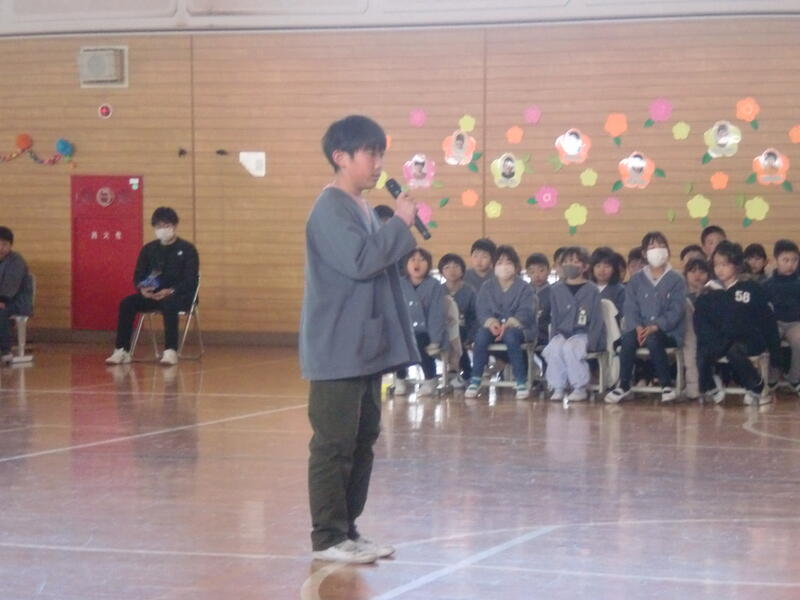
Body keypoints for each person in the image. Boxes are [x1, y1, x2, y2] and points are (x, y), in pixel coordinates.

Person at [299, 115, 419, 564]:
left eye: (380, 153)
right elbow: (361, 261)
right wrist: (400, 223)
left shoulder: (362, 207)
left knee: (362, 438)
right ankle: (328, 536)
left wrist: (395, 228)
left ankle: (348, 529)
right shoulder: (330, 208)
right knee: (333, 443)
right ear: (341, 157)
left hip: (364, 348)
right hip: (338, 347)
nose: (378, 163)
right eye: (370, 153)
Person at [105, 207, 199, 366]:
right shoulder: (149, 249)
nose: (162, 229)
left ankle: (170, 351)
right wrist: (142, 289)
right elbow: (138, 275)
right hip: (153, 295)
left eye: (166, 225)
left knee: (169, 304)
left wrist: (171, 291)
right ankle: (121, 350)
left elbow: (191, 280)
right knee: (127, 303)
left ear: (174, 226)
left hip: (179, 296)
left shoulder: (187, 249)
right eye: (158, 226)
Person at [694, 241, 780, 406]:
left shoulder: (751, 288)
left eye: (725, 264)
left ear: (736, 265)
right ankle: (710, 386)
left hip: (749, 339)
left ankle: (757, 386)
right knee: (703, 352)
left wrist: (775, 353)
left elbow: (767, 319)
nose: (720, 269)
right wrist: (713, 341)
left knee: (734, 351)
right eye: (717, 265)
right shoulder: (708, 292)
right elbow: (700, 323)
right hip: (720, 340)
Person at [605, 233, 686, 403]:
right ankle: (624, 384)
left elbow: (676, 310)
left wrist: (656, 326)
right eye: (652, 246)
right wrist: (637, 326)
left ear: (668, 251)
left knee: (654, 339)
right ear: (644, 253)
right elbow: (630, 307)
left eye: (661, 246)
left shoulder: (677, 279)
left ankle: (665, 384)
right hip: (639, 330)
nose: (657, 250)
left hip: (667, 332)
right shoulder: (636, 279)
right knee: (627, 340)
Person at [465, 245, 536, 400]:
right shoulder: (487, 286)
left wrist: (510, 323)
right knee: (481, 336)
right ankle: (475, 379)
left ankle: (520, 380)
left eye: (508, 262)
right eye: (500, 262)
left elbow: (527, 310)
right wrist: (491, 322)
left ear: (516, 266)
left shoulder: (525, 288)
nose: (504, 266)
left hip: (518, 327)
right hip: (493, 327)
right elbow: (482, 309)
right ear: (494, 265)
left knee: (511, 337)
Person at [543, 246, 605, 402]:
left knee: (571, 348)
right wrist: (553, 337)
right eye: (567, 261)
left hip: (583, 333)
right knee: (554, 349)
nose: (570, 265)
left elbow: (597, 318)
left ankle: (579, 388)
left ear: (585, 266)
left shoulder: (592, 289)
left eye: (576, 261)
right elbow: (554, 317)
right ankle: (557, 387)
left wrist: (593, 342)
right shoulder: (556, 289)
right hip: (562, 332)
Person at [394, 248, 449, 397]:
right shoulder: (399, 284)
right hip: (404, 331)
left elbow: (437, 314)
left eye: (422, 260)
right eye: (413, 260)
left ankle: (430, 379)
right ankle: (400, 378)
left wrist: (435, 339)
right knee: (400, 343)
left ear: (429, 264)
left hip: (428, 332)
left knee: (419, 342)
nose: (417, 263)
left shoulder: (434, 285)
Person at [763, 239, 800, 391]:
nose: (791, 264)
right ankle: (773, 374)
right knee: (770, 338)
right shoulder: (767, 284)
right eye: (786, 260)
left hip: (795, 323)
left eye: (795, 260)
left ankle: (795, 378)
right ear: (776, 260)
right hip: (775, 323)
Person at [439, 252, 476, 387]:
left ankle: (465, 372)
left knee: (458, 336)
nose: (452, 270)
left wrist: (472, 336)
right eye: (447, 267)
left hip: (464, 329)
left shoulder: (469, 291)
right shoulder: (438, 291)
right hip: (443, 328)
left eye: (456, 266)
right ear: (441, 272)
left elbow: (474, 316)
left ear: (462, 270)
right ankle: (453, 371)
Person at [0, 227, 33, 362]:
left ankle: (5, 351)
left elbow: (10, 286)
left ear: (10, 245)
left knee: (1, 312)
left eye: (4, 244)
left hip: (17, 302)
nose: (1, 248)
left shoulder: (16, 261)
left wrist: (2, 300)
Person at [683, 257, 712, 399]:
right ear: (686, 275)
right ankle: (693, 386)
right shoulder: (680, 296)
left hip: (709, 334)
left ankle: (703, 386)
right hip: (687, 335)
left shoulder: (713, 293)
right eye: (693, 271)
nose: (697, 275)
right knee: (690, 343)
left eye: (702, 271)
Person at [525, 252, 551, 346]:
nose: (537, 275)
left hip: (545, 333)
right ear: (527, 273)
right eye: (532, 272)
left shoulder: (554, 292)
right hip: (525, 332)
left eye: (541, 270)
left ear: (549, 271)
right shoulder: (523, 292)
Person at [590, 246, 625, 314]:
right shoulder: (586, 288)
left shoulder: (620, 291)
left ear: (614, 269)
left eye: (607, 266)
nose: (602, 270)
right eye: (598, 266)